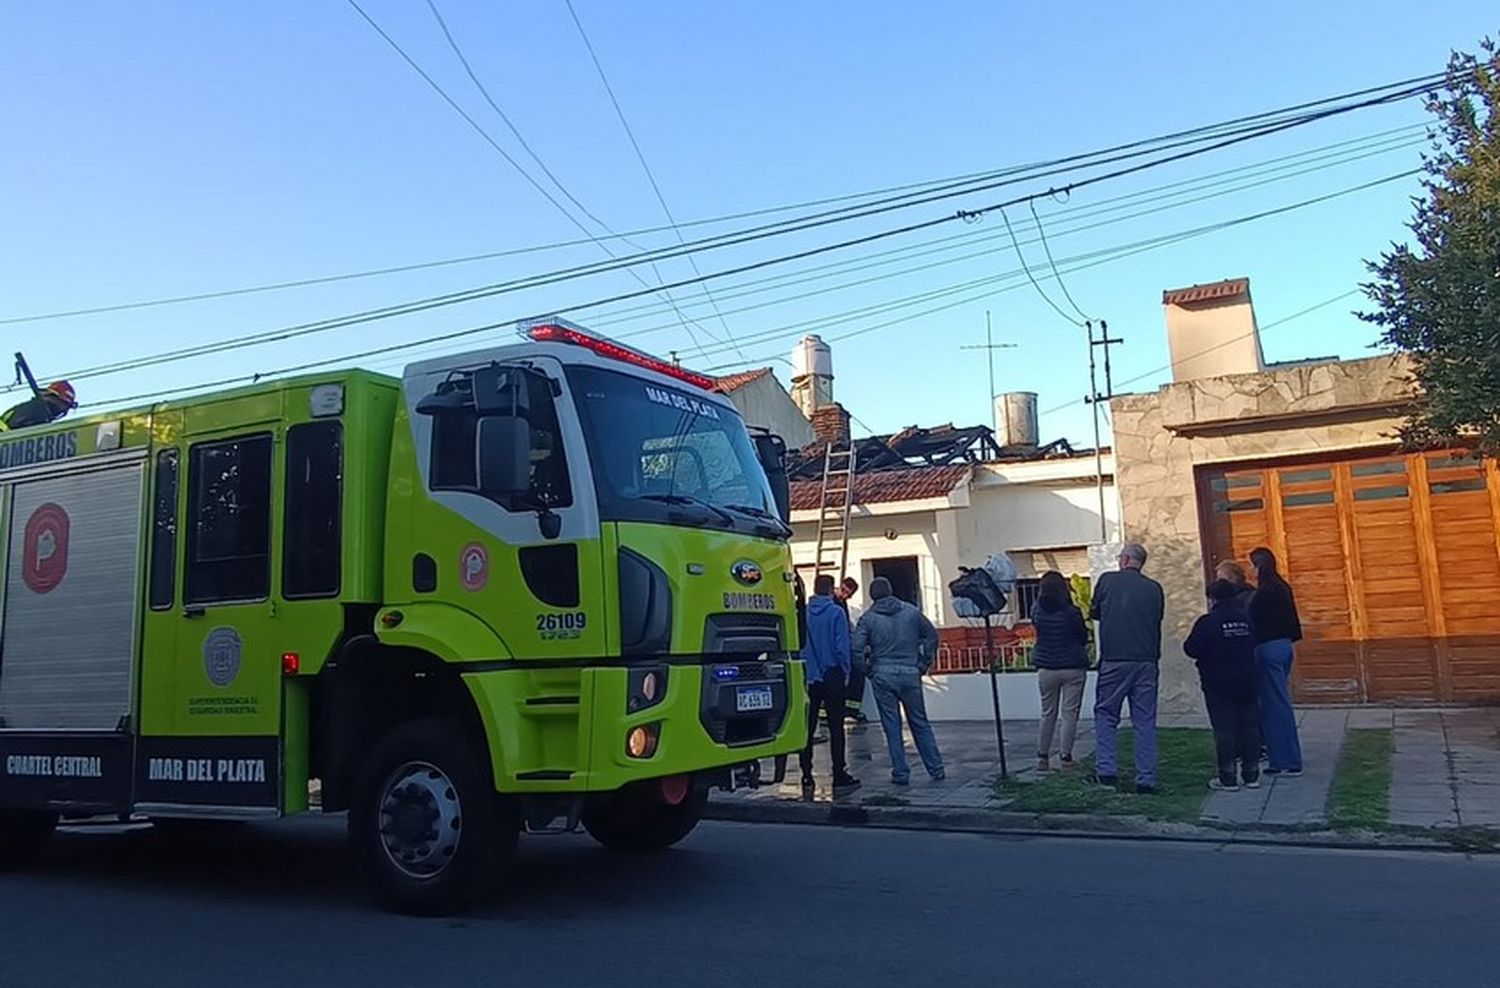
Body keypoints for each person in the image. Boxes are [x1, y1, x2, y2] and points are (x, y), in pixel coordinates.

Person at [1090, 542, 1166, 794]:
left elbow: (1095, 612)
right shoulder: (1154, 588)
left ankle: (1106, 771)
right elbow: (1157, 618)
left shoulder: (1107, 581)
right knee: (1144, 720)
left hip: (1115, 659)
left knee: (1106, 715)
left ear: (1124, 560)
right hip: (1146, 660)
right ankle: (1146, 778)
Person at [853, 576, 944, 785]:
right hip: (911, 672)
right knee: (920, 722)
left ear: (871, 596)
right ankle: (936, 769)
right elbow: (932, 636)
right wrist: (923, 663)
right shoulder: (911, 612)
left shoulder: (868, 619)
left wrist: (868, 670)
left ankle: (901, 772)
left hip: (882, 674)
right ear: (891, 590)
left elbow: (856, 649)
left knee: (891, 726)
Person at [1184, 579, 1262, 791]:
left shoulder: (1208, 622)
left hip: (1218, 683)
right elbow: (1255, 641)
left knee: (1225, 730)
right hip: (1247, 679)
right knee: (1250, 727)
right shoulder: (1245, 620)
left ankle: (1228, 777)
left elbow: (1191, 648)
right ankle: (1252, 774)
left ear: (1212, 598)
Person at [799, 574, 861, 793]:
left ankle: (806, 774)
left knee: (807, 728)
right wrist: (845, 673)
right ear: (830, 589)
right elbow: (842, 647)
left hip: (809, 676)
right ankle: (839, 773)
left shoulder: (803, 613)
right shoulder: (836, 612)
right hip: (833, 675)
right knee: (836, 728)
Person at [1249, 547, 1303, 777]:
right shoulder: (1281, 587)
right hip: (1284, 646)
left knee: (1275, 705)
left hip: (1268, 648)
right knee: (1277, 702)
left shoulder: (1264, 592)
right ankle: (1281, 754)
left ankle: (1285, 760)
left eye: (1252, 565)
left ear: (1259, 566)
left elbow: (1254, 621)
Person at [1030, 571, 1089, 772]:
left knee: (1048, 713)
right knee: (1069, 714)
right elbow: (1082, 636)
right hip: (1072, 667)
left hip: (1046, 667)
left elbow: (1036, 629)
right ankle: (1065, 757)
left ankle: (1042, 757)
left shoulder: (1036, 609)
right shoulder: (1071, 612)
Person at [833, 577, 868, 724]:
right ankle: (832, 713)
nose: (846, 595)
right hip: (835, 648)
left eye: (849, 593)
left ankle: (851, 710)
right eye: (844, 591)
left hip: (844, 646)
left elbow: (846, 625)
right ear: (840, 587)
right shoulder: (832, 603)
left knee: (856, 674)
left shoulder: (842, 603)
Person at [0, 380, 76, 431]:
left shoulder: (36, 410)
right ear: (50, 396)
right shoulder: (34, 410)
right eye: (61, 403)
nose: (62, 409)